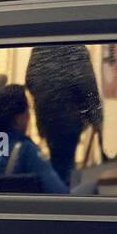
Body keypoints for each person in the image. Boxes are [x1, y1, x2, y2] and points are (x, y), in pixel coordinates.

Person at [24, 44, 103, 188]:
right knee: (65, 163)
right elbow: (87, 84)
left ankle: (56, 192)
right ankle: (62, 196)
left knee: (56, 159)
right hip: (69, 118)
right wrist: (96, 118)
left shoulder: (39, 49)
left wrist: (44, 97)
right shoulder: (76, 48)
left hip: (47, 117)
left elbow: (29, 80)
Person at [0, 84, 69, 194]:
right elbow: (59, 192)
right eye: (28, 110)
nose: (30, 116)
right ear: (18, 118)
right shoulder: (27, 150)